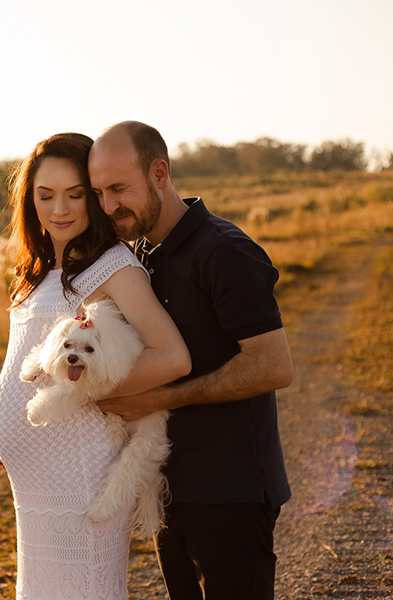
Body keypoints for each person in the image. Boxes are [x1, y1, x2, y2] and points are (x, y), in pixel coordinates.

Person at [87, 121, 295, 599]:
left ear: (159, 174)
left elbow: (273, 366)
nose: (108, 205)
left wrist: (161, 398)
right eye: (98, 193)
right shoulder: (136, 255)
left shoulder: (225, 251)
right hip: (165, 486)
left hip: (231, 489)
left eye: (119, 188)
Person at [0, 132, 191, 599]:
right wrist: (4, 427)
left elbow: (172, 356)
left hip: (81, 468)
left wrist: (80, 389)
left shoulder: (112, 266)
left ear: (93, 198)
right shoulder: (37, 270)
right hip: (34, 477)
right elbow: (26, 359)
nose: (59, 209)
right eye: (46, 195)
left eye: (74, 195)